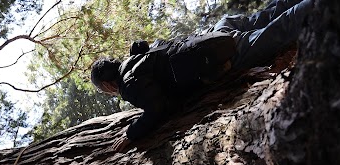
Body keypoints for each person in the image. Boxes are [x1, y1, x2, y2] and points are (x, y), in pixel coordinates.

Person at [90, 0, 313, 151]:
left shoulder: (129, 84)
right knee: (269, 13)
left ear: (109, 85)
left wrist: (131, 133)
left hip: (218, 54)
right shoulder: (139, 57)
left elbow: (157, 109)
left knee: (282, 29)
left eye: (105, 90)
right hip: (215, 33)